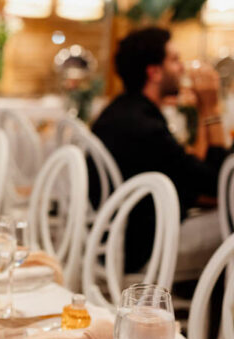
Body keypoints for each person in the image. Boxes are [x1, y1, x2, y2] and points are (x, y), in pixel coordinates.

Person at [91, 27, 229, 274]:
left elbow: (193, 169)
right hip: (145, 250)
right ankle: (215, 308)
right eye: (175, 60)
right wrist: (211, 110)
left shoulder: (119, 111)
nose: (182, 68)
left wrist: (201, 113)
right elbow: (219, 184)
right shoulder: (146, 128)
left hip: (116, 239)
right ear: (154, 72)